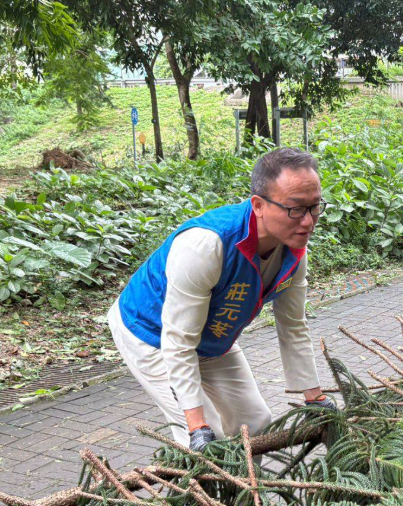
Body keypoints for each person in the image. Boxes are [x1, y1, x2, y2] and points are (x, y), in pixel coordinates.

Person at [107, 148, 335, 451]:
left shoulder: (293, 251)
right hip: (152, 334)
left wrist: (314, 398)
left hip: (212, 336)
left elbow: (293, 328)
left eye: (314, 207)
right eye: (295, 209)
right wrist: (196, 425)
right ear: (258, 205)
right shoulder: (207, 244)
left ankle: (245, 490)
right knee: (205, 440)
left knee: (255, 423)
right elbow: (178, 341)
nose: (307, 221)